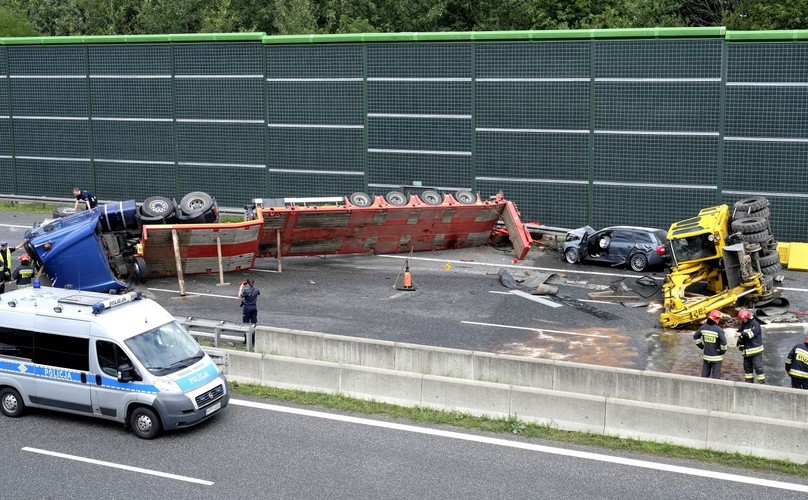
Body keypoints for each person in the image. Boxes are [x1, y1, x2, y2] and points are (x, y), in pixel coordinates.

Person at [693, 309, 728, 379]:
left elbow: (695, 337)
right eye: (718, 318)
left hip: (706, 356)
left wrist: (701, 346)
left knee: (704, 376)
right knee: (715, 377)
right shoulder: (718, 330)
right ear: (716, 319)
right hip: (716, 358)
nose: (719, 320)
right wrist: (722, 351)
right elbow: (724, 342)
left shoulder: (703, 327)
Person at [737, 308, 765, 384]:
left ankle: (761, 382)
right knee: (747, 369)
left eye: (743, 320)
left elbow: (750, 334)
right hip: (747, 352)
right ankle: (748, 383)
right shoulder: (744, 325)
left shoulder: (755, 324)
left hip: (756, 351)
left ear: (747, 317)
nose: (743, 321)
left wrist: (741, 334)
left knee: (758, 367)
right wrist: (740, 342)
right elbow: (740, 334)